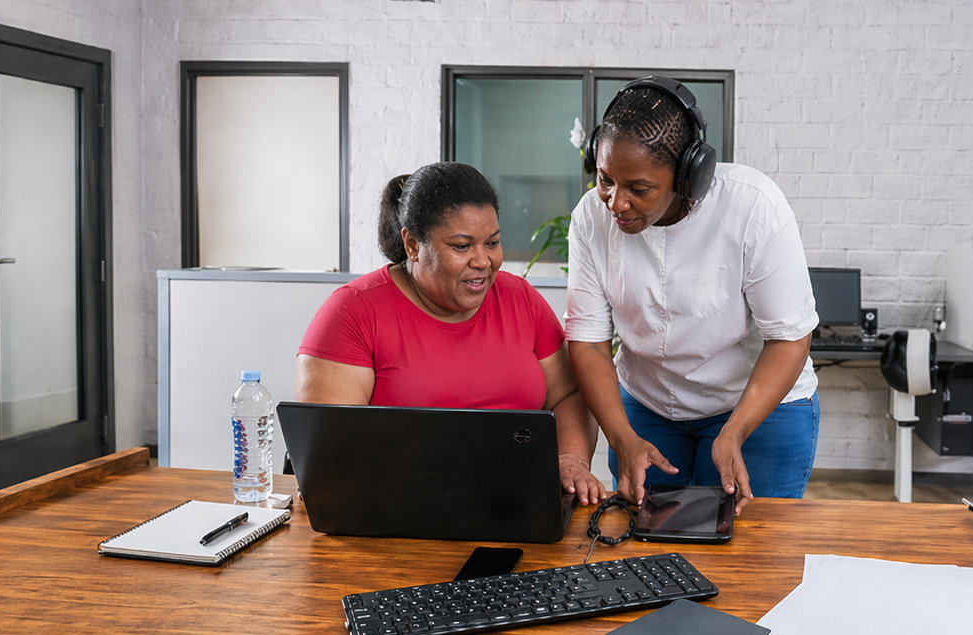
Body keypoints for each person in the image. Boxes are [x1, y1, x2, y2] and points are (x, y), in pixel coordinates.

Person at [566, 77, 819, 513]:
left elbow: (789, 337)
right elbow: (587, 341)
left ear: (690, 175)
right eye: (606, 179)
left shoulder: (753, 206)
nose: (615, 203)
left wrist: (735, 431)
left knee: (746, 552)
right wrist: (622, 437)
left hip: (755, 406)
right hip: (647, 405)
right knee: (649, 550)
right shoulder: (591, 216)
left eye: (638, 189)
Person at [297, 161, 605, 505]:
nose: (483, 261)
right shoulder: (352, 313)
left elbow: (567, 395)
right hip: (397, 510)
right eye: (462, 246)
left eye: (492, 243)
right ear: (412, 245)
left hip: (517, 504)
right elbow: (335, 457)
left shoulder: (521, 299)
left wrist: (570, 459)